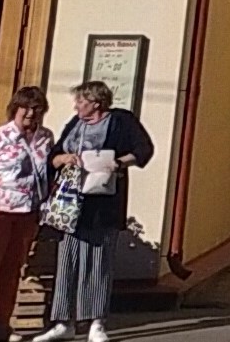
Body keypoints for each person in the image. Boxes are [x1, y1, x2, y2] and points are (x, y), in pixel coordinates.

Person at [36, 78, 152, 342]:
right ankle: (63, 322)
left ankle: (96, 323)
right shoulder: (75, 124)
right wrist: (64, 158)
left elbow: (144, 150)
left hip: (103, 206)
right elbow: (54, 157)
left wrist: (117, 163)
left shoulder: (121, 121)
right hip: (70, 207)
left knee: (98, 263)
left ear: (96, 103)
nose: (76, 106)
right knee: (67, 262)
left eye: (81, 101)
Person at [0, 87, 55, 342]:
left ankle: (2, 325)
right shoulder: (1, 136)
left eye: (37, 109)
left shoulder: (45, 137)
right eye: (26, 108)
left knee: (12, 270)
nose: (31, 113)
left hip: (29, 212)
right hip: (1, 210)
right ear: (16, 108)